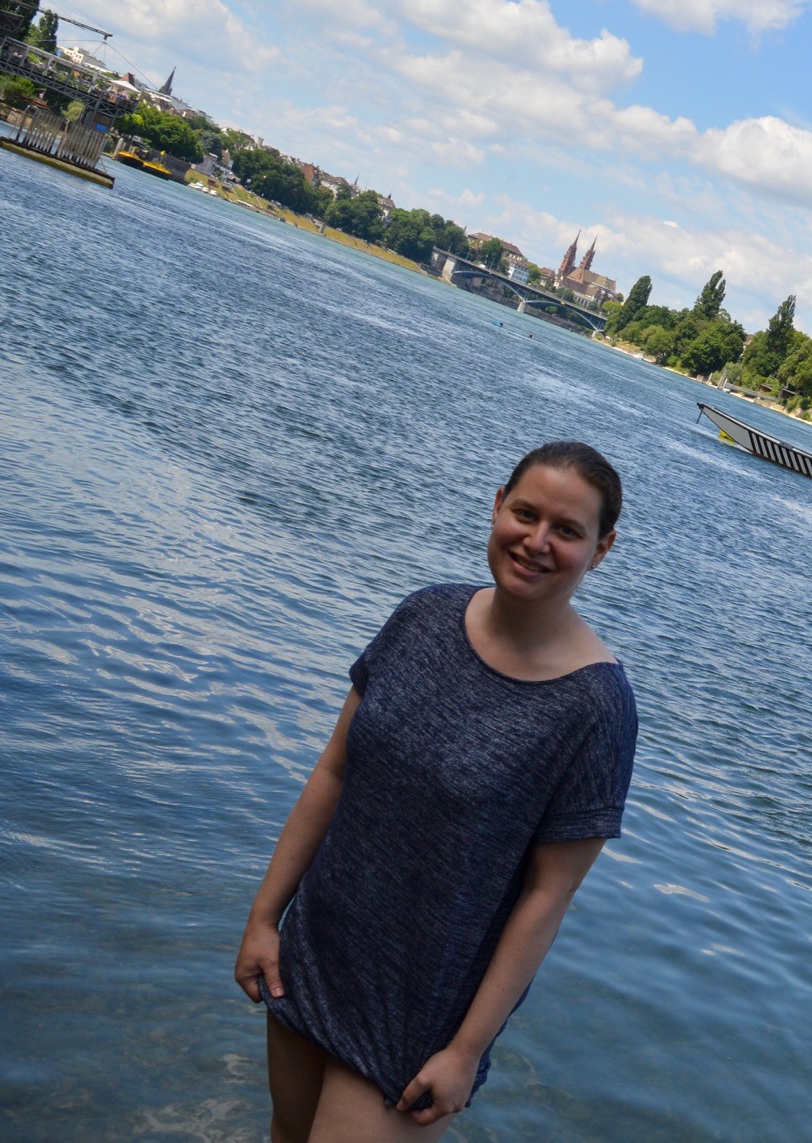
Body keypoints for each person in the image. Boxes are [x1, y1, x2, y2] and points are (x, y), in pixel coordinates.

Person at [235, 442, 639, 1139]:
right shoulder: (422, 616)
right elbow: (334, 770)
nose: (536, 542)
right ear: (496, 507)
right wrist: (265, 919)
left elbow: (549, 896)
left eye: (567, 531)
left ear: (600, 550)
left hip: (419, 1014)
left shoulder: (595, 708)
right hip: (316, 951)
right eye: (525, 513)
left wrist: (466, 1051)